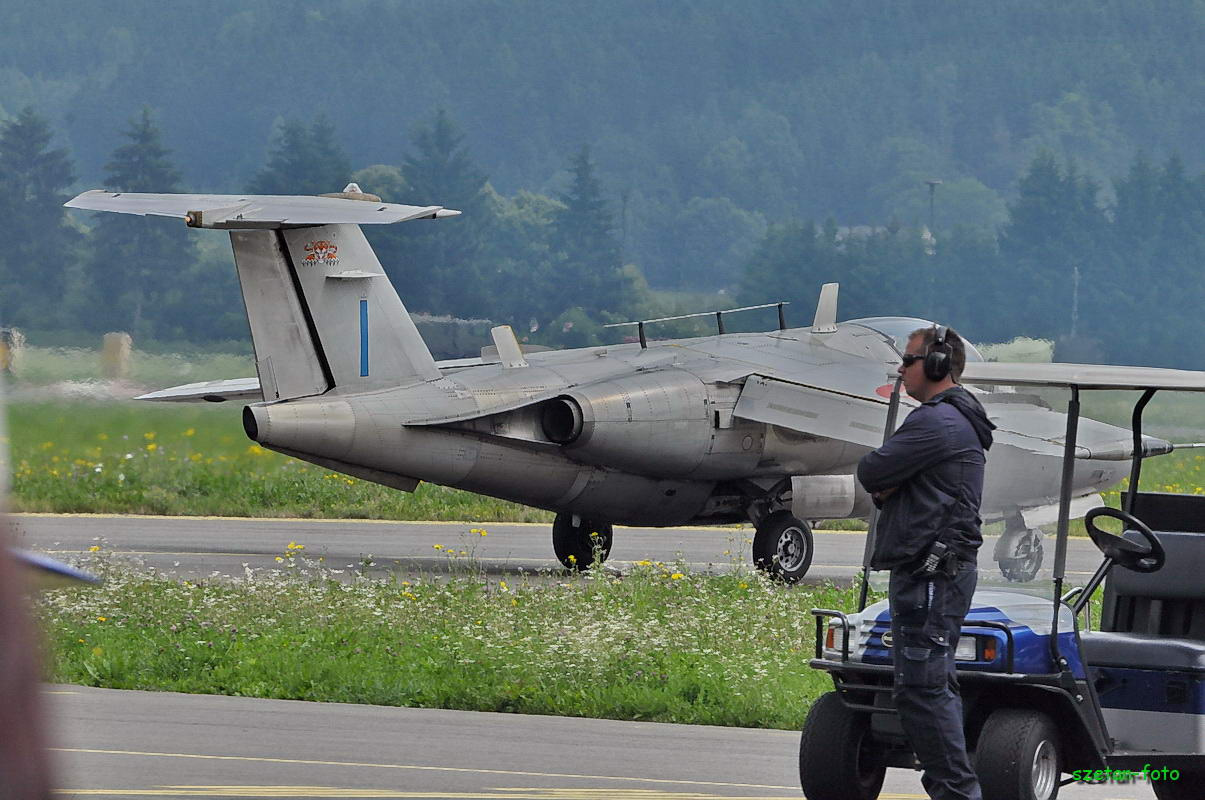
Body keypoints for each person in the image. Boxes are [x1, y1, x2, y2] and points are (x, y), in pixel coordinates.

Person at [856, 325, 995, 800]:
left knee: (922, 687)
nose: (901, 369)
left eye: (909, 360)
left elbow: (872, 471)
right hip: (935, 572)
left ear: (936, 366)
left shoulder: (936, 422)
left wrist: (891, 482)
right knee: (928, 683)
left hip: (931, 573)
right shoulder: (954, 419)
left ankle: (957, 793)